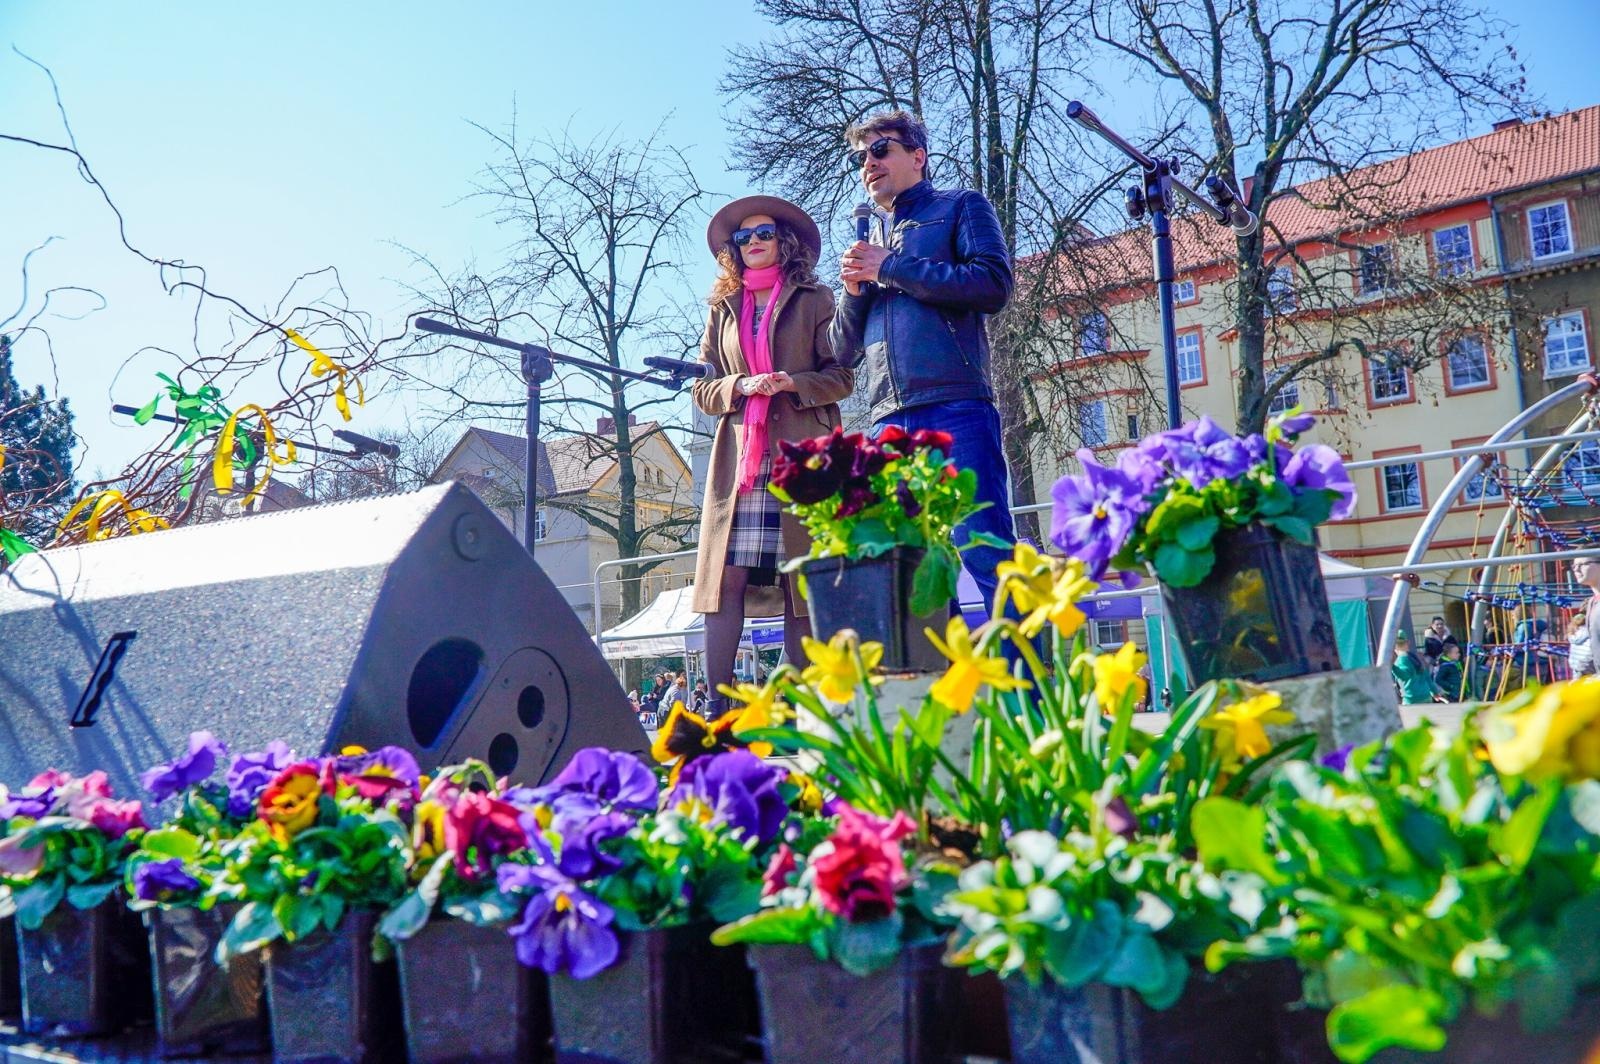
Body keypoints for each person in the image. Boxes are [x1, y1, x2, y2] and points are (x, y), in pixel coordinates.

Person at [829, 109, 1017, 615]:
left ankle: (1025, 693)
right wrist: (853, 292)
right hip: (887, 422)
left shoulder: (961, 206)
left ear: (918, 156)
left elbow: (993, 285)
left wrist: (890, 266)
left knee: (986, 550)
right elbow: (841, 352)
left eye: (880, 149)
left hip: (955, 406)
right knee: (915, 571)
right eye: (859, 157)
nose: (868, 163)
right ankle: (947, 692)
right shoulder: (869, 241)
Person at [692, 195, 854, 714]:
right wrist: (740, 385)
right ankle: (719, 713)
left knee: (799, 582)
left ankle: (803, 711)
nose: (753, 242)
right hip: (741, 457)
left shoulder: (816, 298)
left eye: (763, 233)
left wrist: (793, 382)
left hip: (803, 453)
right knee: (724, 581)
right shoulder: (723, 309)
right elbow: (703, 388)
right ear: (732, 250)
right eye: (742, 237)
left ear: (783, 242)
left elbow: (842, 376)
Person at [1393, 632, 1445, 704]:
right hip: (1426, 696)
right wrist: (1435, 692)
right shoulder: (1417, 657)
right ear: (1408, 642)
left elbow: (1404, 676)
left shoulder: (1401, 659)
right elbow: (1427, 678)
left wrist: (1392, 667)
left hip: (1412, 699)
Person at [1573, 556, 1600, 677]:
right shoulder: (1591, 602)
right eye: (1574, 566)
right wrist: (1581, 673)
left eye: (1583, 564)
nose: (1576, 570)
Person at [1566, 610, 1592, 679]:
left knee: (1577, 684)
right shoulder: (1589, 631)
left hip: (1575, 664)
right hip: (1587, 663)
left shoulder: (1572, 634)